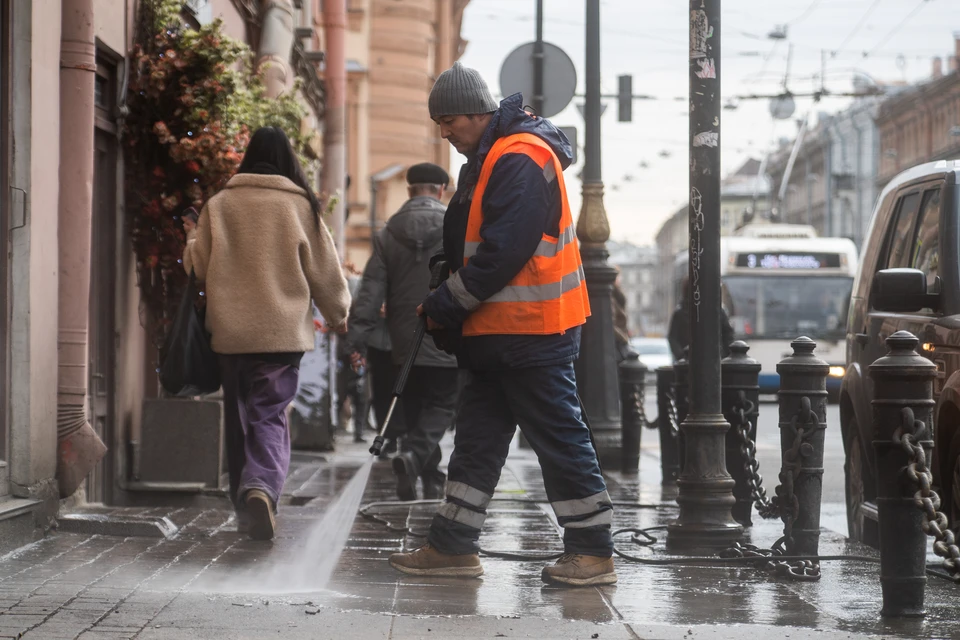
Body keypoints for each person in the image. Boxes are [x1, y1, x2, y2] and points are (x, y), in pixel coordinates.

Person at [388, 62, 616, 587]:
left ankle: (593, 552)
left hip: (532, 328)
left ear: (475, 111)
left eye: (448, 120)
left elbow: (503, 254)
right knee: (477, 440)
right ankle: (451, 546)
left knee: (558, 438)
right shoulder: (490, 155)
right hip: (500, 330)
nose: (443, 132)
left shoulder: (517, 157)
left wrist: (447, 301)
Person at [182, 126, 350, 541]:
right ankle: (261, 488)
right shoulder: (301, 207)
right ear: (288, 160)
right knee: (270, 415)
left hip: (230, 333)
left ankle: (246, 506)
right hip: (281, 336)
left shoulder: (219, 205)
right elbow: (326, 272)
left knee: (239, 421)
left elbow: (195, 267)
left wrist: (190, 236)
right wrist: (338, 314)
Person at [347, 162, 458, 501]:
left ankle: (427, 474)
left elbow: (370, 291)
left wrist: (358, 339)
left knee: (412, 406)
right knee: (441, 403)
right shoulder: (453, 227)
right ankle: (412, 457)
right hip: (445, 333)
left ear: (409, 191)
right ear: (440, 191)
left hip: (401, 338)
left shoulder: (388, 232)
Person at [667, 276, 735, 362]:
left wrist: (725, 355)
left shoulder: (717, 311)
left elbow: (728, 334)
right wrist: (682, 356)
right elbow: (673, 338)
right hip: (687, 363)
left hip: (713, 360)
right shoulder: (680, 313)